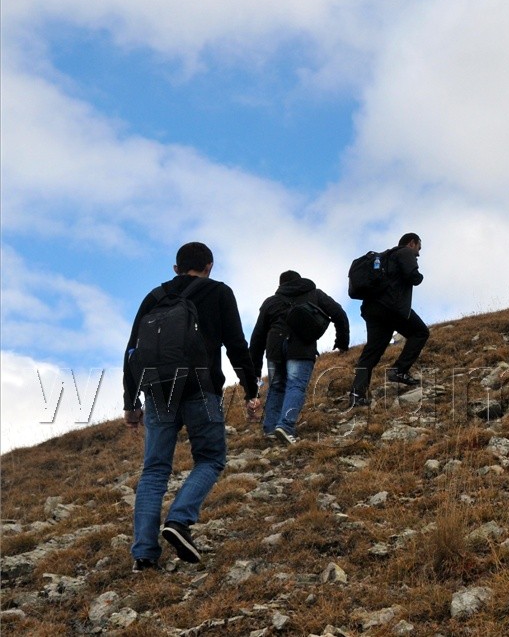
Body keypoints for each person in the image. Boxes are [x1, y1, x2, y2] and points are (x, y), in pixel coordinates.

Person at [123, 241, 261, 571]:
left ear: (175, 268)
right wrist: (251, 389)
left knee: (154, 470)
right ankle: (180, 520)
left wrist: (131, 402)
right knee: (211, 458)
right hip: (201, 387)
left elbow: (132, 351)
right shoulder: (219, 292)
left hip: (157, 391)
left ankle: (144, 553)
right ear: (210, 265)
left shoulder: (154, 297)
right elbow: (236, 345)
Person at [248, 270, 350, 446]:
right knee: (295, 385)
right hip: (301, 346)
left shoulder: (271, 301)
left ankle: (271, 429)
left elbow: (257, 337)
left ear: (280, 285)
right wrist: (342, 342)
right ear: (300, 280)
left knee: (276, 387)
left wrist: (255, 370)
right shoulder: (314, 294)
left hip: (275, 347)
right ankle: (286, 427)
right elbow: (339, 314)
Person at [348, 232, 430, 408]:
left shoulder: (385, 257)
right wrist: (419, 276)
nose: (418, 254)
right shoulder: (405, 252)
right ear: (412, 243)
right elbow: (413, 276)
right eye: (419, 248)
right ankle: (398, 370)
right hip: (392, 307)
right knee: (420, 332)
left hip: (372, 309)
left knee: (371, 352)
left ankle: (357, 394)